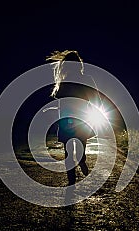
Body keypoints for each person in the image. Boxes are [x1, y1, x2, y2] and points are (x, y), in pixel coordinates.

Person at [46, 50, 101, 186]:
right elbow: (97, 100)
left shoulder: (64, 82)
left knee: (68, 152)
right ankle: (80, 163)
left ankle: (72, 179)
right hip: (81, 120)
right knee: (77, 149)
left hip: (66, 121)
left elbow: (61, 102)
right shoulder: (85, 79)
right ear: (79, 65)